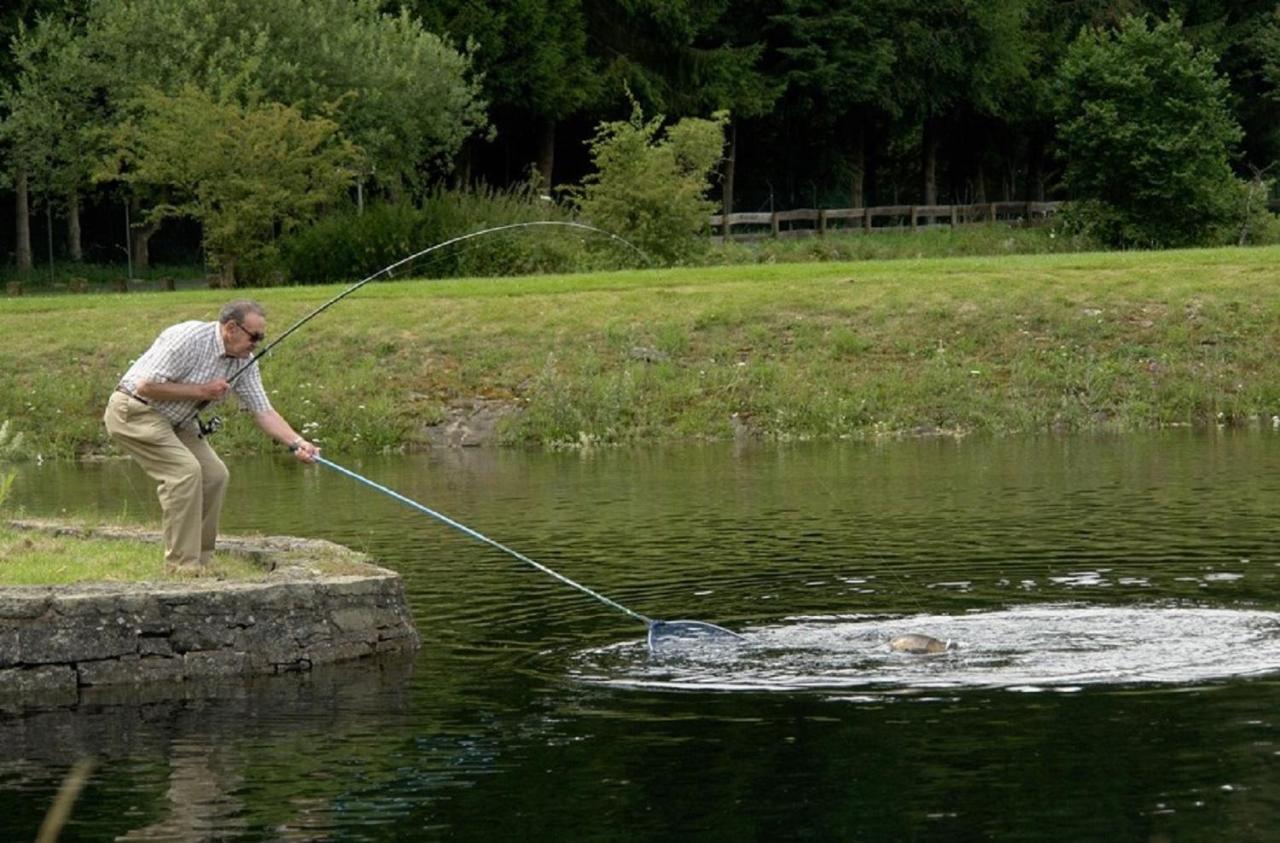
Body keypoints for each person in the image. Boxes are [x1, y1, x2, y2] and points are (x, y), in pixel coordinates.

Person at [103, 300, 318, 569]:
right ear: (231, 328)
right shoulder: (189, 338)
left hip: (178, 421)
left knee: (214, 476)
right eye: (255, 336)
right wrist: (202, 391)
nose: (258, 343)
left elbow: (263, 411)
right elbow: (145, 386)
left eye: (261, 337)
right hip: (134, 410)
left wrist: (298, 443)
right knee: (185, 472)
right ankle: (182, 566)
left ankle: (202, 560)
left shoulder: (245, 362)